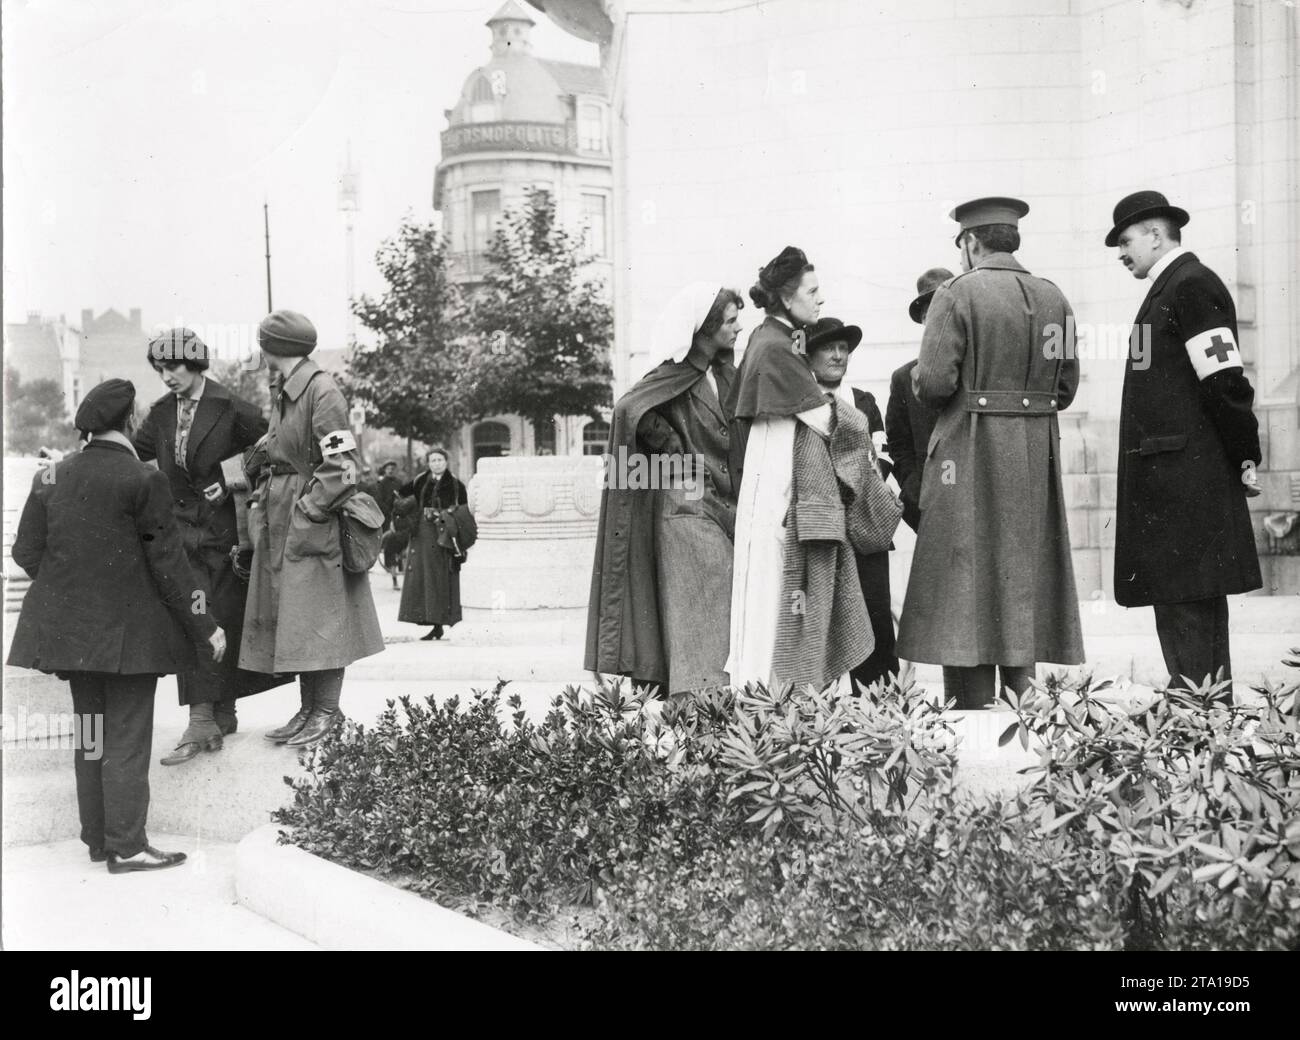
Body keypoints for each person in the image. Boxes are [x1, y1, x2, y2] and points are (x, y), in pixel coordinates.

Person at [8, 379, 225, 872]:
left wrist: (72, 589)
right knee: (125, 739)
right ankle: (127, 847)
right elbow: (170, 564)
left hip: (70, 638)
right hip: (129, 641)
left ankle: (99, 840)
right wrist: (205, 625)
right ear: (129, 422)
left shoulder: (51, 477)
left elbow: (25, 553)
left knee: (91, 735)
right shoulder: (144, 480)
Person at [896, 197, 1084, 709]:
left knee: (965, 576)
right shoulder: (1054, 297)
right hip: (1033, 453)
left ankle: (970, 712)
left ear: (972, 241)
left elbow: (934, 382)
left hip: (968, 449)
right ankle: (1023, 709)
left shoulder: (956, 294)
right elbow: (1065, 389)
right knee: (1020, 571)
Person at [1106, 190, 1262, 690]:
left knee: (1189, 601)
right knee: (1185, 601)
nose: (1122, 252)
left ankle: (1198, 713)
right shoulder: (1169, 287)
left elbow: (1224, 380)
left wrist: (1245, 453)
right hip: (1175, 478)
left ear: (1156, 234)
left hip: (1186, 479)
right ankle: (1201, 710)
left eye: (1127, 240)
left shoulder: (1191, 285)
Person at [725, 246, 873, 689]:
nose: (820, 300)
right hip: (777, 478)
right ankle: (779, 689)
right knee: (776, 578)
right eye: (812, 291)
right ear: (788, 299)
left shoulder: (770, 338)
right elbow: (824, 419)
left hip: (772, 468)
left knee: (775, 582)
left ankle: (774, 686)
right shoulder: (777, 346)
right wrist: (858, 423)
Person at [585, 283, 742, 696]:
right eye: (730, 321)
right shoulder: (672, 374)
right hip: (685, 514)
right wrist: (669, 443)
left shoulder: (728, 375)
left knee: (717, 619)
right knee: (697, 622)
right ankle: (696, 717)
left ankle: (716, 719)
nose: (738, 328)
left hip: (727, 509)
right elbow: (627, 410)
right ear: (705, 329)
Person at [241, 310, 385, 748]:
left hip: (309, 515)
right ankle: (309, 709)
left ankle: (327, 710)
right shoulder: (286, 388)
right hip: (284, 510)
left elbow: (343, 466)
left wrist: (310, 510)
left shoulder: (322, 390)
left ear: (271, 348)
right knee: (300, 616)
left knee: (321, 613)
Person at [135, 328, 269, 765]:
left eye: (173, 367)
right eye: (161, 369)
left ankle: (212, 715)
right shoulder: (159, 413)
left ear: (196, 364)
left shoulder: (232, 408)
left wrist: (232, 477)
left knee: (220, 618)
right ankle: (206, 717)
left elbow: (272, 446)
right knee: (197, 617)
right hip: (181, 535)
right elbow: (133, 454)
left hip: (226, 535)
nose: (167, 376)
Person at [804, 317, 899, 691]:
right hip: (819, 531)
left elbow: (882, 456)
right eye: (829, 347)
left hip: (863, 532)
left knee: (875, 626)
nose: (838, 355)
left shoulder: (863, 402)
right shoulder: (802, 403)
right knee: (817, 628)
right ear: (809, 355)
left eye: (843, 348)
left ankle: (879, 722)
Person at [886, 268, 952, 533]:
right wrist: (913, 490)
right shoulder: (904, 379)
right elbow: (898, 444)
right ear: (924, 320)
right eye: (931, 314)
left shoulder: (978, 373)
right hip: (929, 508)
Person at [396, 448, 469, 641]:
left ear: (446, 462)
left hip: (442, 534)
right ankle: (432, 623)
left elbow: (464, 509)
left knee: (440, 577)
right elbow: (400, 495)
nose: (436, 463)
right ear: (428, 463)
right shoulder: (420, 480)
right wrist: (410, 515)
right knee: (423, 578)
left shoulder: (455, 484)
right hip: (422, 534)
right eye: (432, 460)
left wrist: (448, 513)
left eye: (439, 460)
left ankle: (441, 621)